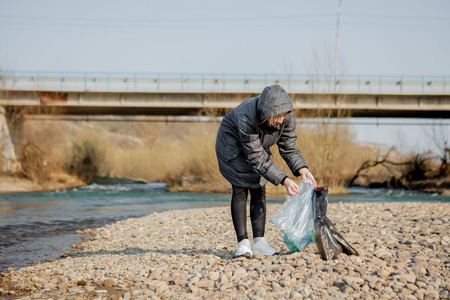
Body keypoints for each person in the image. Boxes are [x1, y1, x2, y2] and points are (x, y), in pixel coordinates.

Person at [215, 84, 316, 258]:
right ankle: (243, 243)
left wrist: (302, 169)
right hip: (231, 145)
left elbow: (288, 147)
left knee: (259, 187)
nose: (281, 120)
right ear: (266, 112)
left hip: (257, 148)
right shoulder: (247, 116)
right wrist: (284, 180)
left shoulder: (287, 117)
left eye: (284, 115)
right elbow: (256, 157)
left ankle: (259, 242)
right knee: (240, 188)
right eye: (277, 116)